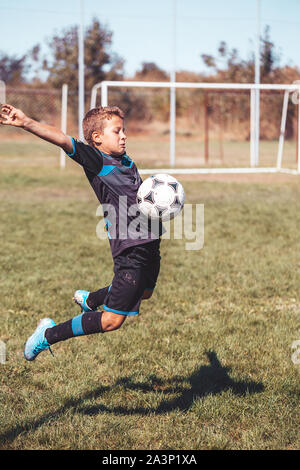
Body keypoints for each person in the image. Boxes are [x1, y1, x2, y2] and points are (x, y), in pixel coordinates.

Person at [0, 103, 162, 361]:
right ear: (97, 137)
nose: (124, 136)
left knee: (145, 292)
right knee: (111, 321)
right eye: (117, 131)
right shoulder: (97, 160)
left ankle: (92, 298)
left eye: (124, 130)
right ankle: (47, 334)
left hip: (151, 242)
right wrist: (27, 122)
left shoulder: (125, 159)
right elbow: (63, 140)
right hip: (130, 249)